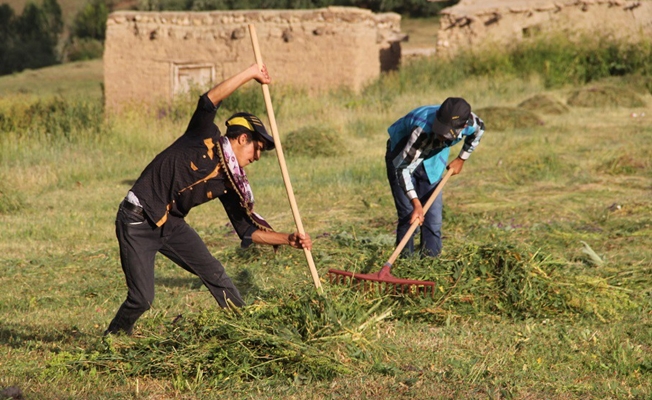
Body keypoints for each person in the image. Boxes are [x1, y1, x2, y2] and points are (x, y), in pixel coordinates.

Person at [105, 63, 312, 335]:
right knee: (142, 298)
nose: (257, 157)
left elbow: (247, 230)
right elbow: (209, 100)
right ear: (241, 138)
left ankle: (246, 331)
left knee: (215, 274)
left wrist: (288, 239)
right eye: (257, 148)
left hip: (171, 225)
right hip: (137, 219)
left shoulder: (230, 182)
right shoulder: (203, 136)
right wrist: (250, 73)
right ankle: (114, 337)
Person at [385, 97, 485, 258]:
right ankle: (405, 263)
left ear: (463, 127)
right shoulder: (422, 129)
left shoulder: (471, 123)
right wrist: (416, 203)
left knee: (433, 217)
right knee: (409, 214)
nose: (440, 135)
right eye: (439, 130)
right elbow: (403, 169)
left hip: (433, 158)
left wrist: (461, 159)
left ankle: (430, 262)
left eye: (446, 133)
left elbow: (480, 130)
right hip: (402, 152)